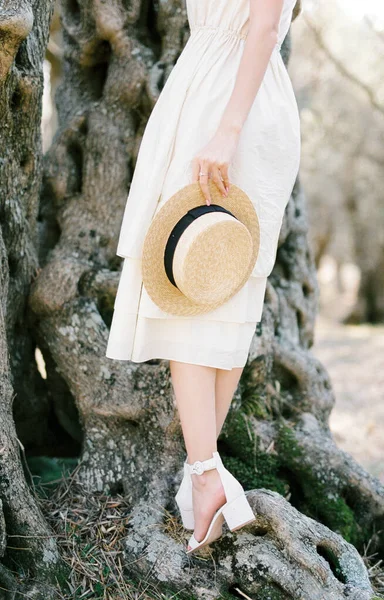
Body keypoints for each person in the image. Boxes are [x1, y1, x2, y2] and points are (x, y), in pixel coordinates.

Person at [106, 0, 301, 553]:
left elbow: (263, 24)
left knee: (199, 286)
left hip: (231, 103)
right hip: (208, 89)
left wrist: (226, 132)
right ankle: (205, 477)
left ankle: (206, 476)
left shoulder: (231, 105)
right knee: (202, 285)